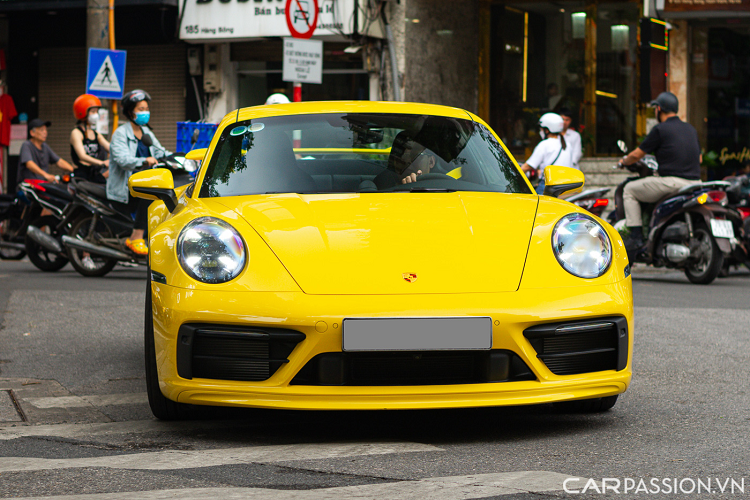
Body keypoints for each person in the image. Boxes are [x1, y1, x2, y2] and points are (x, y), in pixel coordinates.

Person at [618, 92, 702, 259]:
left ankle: (635, 236)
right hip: (695, 183)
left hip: (672, 183)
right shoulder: (690, 129)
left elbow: (636, 155)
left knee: (629, 189)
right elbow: (699, 158)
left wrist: (623, 162)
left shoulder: (660, 129)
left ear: (659, 109)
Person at [108, 89, 171, 256]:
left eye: (146, 109)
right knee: (149, 192)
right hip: (125, 188)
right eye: (141, 109)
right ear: (130, 112)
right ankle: (136, 237)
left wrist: (178, 158)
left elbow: (160, 151)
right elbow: (123, 160)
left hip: (140, 183)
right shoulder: (120, 134)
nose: (145, 113)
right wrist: (144, 160)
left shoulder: (146, 132)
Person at [520, 113, 574, 194]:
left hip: (549, 186)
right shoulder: (567, 144)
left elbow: (528, 166)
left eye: (541, 129)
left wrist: (513, 174)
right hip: (564, 186)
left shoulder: (545, 144)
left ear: (547, 130)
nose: (540, 131)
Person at [17, 119, 75, 183]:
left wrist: (73, 170)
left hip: (43, 184)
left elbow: (58, 161)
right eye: (42, 130)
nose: (45, 132)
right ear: (32, 133)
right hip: (29, 185)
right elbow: (29, 164)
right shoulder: (26, 145)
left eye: (45, 130)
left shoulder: (45, 146)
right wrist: (46, 175)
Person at [70, 94, 110, 183]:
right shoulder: (76, 132)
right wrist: (102, 163)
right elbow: (82, 156)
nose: (96, 115)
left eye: (96, 112)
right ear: (82, 112)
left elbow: (110, 147)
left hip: (95, 173)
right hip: (81, 175)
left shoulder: (95, 133)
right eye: (93, 112)